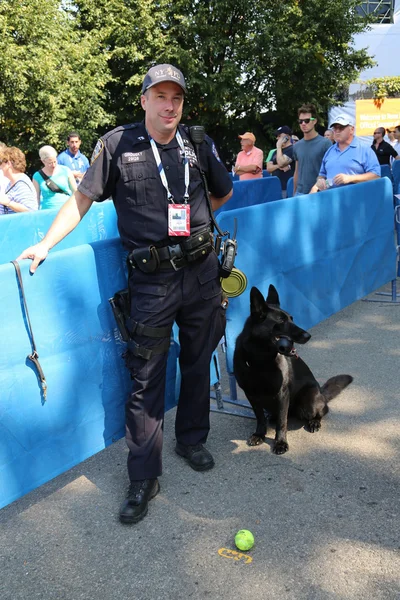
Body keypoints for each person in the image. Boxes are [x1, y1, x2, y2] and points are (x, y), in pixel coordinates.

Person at [17, 63, 233, 525]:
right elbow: (81, 199)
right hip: (151, 282)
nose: (169, 105)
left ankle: (192, 438)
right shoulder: (118, 145)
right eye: (161, 96)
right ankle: (144, 476)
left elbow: (222, 192)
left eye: (176, 97)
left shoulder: (197, 141)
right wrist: (46, 243)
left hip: (201, 273)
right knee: (146, 377)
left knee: (198, 360)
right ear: (144, 100)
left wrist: (193, 230)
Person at [310, 114, 380, 193]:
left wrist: (351, 178)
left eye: (341, 127)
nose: (337, 131)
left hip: (355, 200)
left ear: (352, 130)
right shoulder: (330, 151)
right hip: (331, 199)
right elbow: (322, 175)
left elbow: (376, 176)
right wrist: (320, 181)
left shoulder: (364, 149)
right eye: (335, 128)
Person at [285, 103, 331, 195]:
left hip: (319, 193)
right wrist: (294, 193)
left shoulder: (325, 144)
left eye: (307, 120)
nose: (303, 124)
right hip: (300, 193)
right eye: (300, 121)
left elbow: (330, 172)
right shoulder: (297, 146)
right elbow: (297, 172)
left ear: (314, 121)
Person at [32, 146, 77, 210]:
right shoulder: (37, 176)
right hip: (47, 211)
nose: (53, 165)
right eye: (50, 163)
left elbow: (75, 191)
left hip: (67, 209)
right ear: (43, 161)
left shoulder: (66, 170)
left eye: (55, 161)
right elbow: (36, 198)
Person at [0, 146, 38, 215]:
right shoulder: (12, 182)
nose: (0, 167)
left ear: (8, 164)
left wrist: (9, 203)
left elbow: (30, 210)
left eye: (1, 163)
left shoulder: (22, 184)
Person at [266, 125, 294, 198]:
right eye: (277, 136)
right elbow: (268, 168)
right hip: (275, 187)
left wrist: (278, 146)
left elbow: (281, 162)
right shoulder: (276, 152)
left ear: (287, 136)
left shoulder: (292, 149)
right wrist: (278, 166)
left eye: (279, 136)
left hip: (287, 187)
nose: (277, 138)